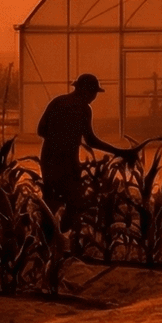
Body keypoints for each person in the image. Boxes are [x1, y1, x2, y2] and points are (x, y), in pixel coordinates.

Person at [36, 74, 137, 230]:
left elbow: (41, 130)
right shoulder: (83, 109)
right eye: (93, 93)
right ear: (84, 91)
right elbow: (91, 140)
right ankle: (62, 238)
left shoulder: (57, 102)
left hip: (48, 159)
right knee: (73, 202)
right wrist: (120, 152)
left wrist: (56, 138)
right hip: (68, 162)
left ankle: (46, 241)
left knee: (50, 201)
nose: (93, 97)